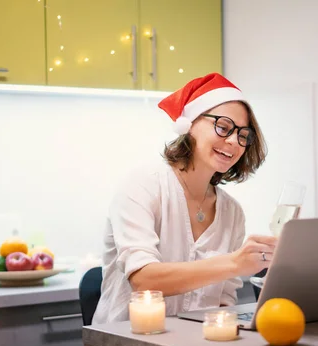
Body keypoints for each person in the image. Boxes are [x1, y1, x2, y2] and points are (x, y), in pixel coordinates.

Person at [92, 72, 276, 324]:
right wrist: (235, 263)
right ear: (189, 124)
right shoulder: (143, 185)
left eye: (243, 135)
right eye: (223, 127)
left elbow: (224, 302)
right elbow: (145, 281)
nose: (234, 141)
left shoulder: (232, 212)